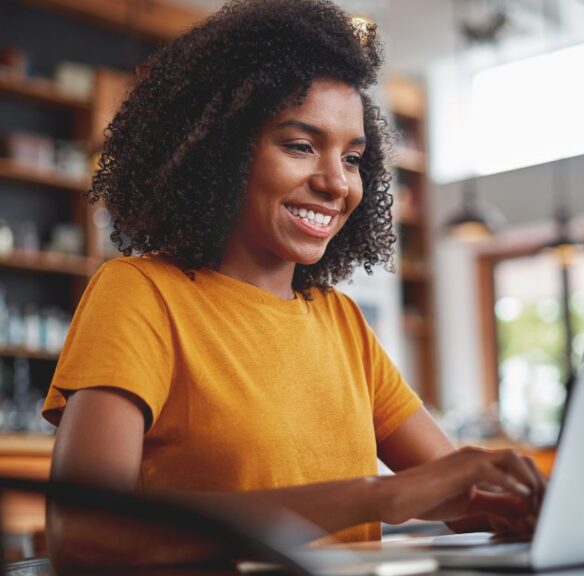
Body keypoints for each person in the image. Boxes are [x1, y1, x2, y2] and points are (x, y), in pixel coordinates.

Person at [41, 0, 546, 568]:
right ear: (221, 152)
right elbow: (84, 539)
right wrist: (378, 496)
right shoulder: (141, 293)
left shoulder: (341, 322)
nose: (337, 183)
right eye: (301, 145)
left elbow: (467, 501)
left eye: (353, 157)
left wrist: (538, 502)